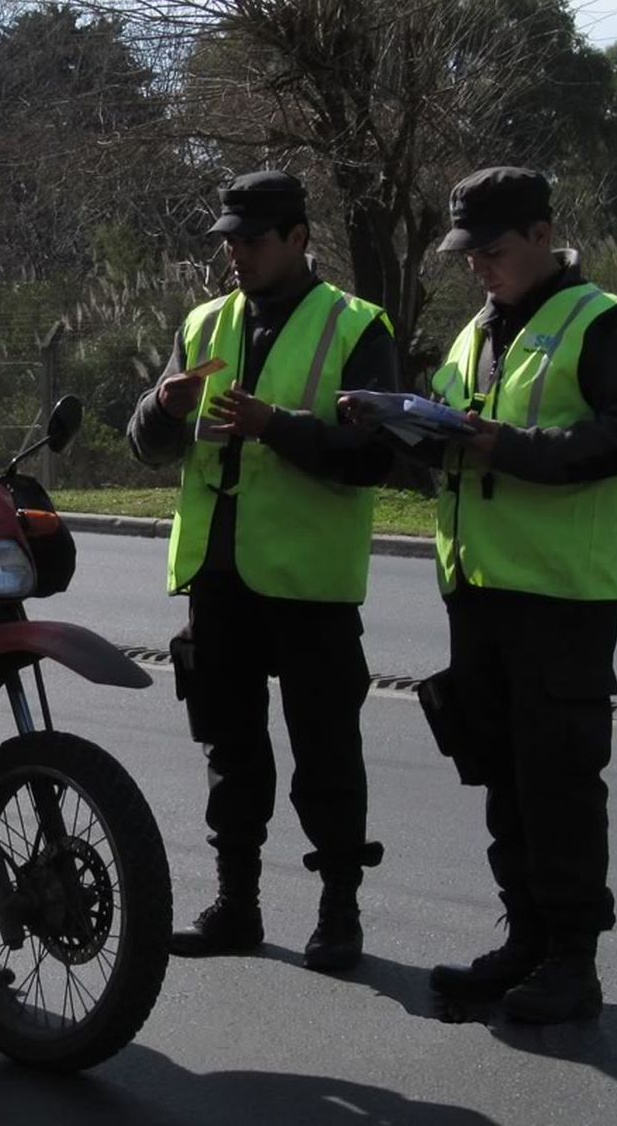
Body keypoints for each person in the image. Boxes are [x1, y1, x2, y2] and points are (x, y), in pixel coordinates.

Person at [410, 167, 617, 1023]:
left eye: (491, 250)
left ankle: (571, 960)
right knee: (503, 780)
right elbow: (457, 435)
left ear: (541, 232)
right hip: (477, 591)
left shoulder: (601, 320)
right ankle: (524, 938)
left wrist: (509, 448)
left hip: (560, 599)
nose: (478, 267)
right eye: (466, 254)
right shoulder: (474, 332)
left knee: (559, 782)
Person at [128, 171, 396, 972]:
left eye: (252, 239)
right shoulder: (206, 320)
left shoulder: (355, 326)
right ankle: (235, 904)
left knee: (325, 751)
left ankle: (339, 910)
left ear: (298, 239)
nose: (236, 254)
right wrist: (163, 410)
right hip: (219, 578)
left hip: (308, 583)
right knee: (229, 747)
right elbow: (147, 442)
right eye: (229, 241)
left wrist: (278, 426)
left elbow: (379, 454)